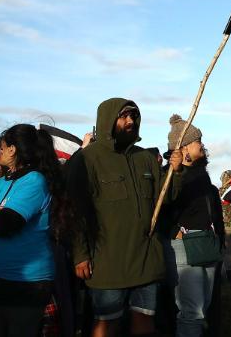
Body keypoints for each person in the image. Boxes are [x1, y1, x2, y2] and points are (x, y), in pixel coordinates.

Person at [66, 99, 183, 337]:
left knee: (144, 323)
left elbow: (166, 197)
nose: (130, 121)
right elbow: (75, 210)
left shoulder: (145, 158)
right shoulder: (87, 158)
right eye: (124, 116)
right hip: (107, 261)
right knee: (106, 325)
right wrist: (80, 255)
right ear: (108, 120)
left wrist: (177, 171)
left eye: (134, 116)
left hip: (146, 259)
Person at [0, 125, 70, 337]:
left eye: (2, 147)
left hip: (26, 283)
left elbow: (4, 225)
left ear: (13, 149)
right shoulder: (0, 183)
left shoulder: (34, 181)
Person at [160, 115, 224, 337]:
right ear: (184, 147)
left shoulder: (203, 177)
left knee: (202, 306)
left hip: (205, 243)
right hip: (182, 247)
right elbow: (162, 208)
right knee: (191, 311)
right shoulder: (169, 176)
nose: (202, 145)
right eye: (198, 141)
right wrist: (174, 232)